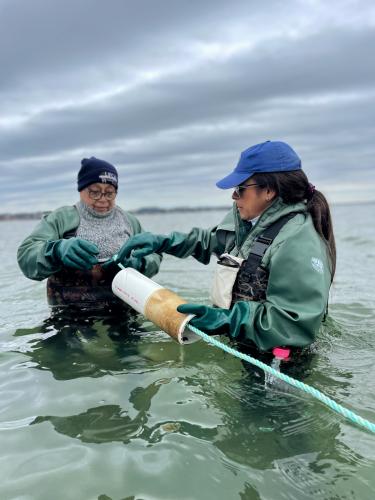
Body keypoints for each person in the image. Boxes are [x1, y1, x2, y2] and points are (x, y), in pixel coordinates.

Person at [106, 140, 336, 353]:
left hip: (280, 360)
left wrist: (226, 320)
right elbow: (210, 241)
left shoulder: (298, 241)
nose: (234, 196)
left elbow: (293, 323)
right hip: (242, 343)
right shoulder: (246, 219)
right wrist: (162, 242)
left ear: (269, 191)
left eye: (240, 189)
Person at [17, 157, 161, 312]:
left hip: (122, 312)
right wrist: (56, 250)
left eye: (109, 193)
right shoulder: (61, 219)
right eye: (95, 192)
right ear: (81, 190)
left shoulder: (130, 222)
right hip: (68, 315)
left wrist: (141, 263)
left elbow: (155, 254)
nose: (102, 199)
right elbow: (26, 256)